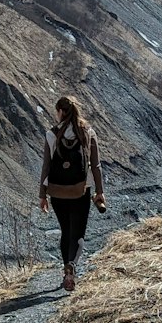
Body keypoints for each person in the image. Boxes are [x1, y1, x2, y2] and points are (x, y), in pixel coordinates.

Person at [39, 94, 106, 291]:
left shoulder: (51, 135)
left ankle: (65, 268)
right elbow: (96, 165)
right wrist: (99, 191)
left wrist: (42, 195)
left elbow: (45, 167)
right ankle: (72, 267)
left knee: (65, 231)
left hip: (57, 192)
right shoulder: (88, 132)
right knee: (77, 233)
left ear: (60, 112)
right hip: (81, 190)